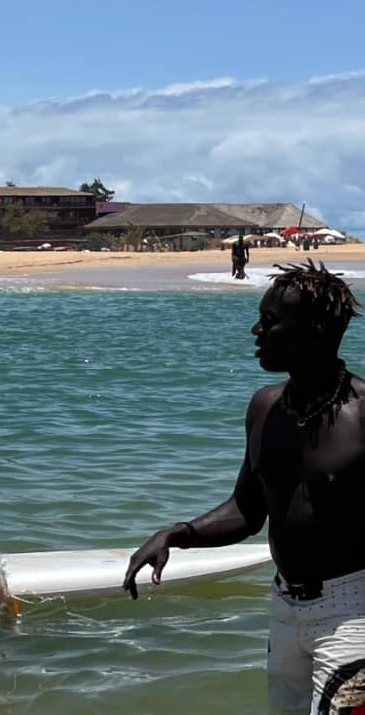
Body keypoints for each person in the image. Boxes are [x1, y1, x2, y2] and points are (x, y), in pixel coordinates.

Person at [122, 260, 364, 712]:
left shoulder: (363, 414)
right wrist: (178, 534)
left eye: (270, 322)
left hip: (355, 611)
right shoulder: (265, 407)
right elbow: (248, 509)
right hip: (285, 608)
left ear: (313, 331)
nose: (256, 331)